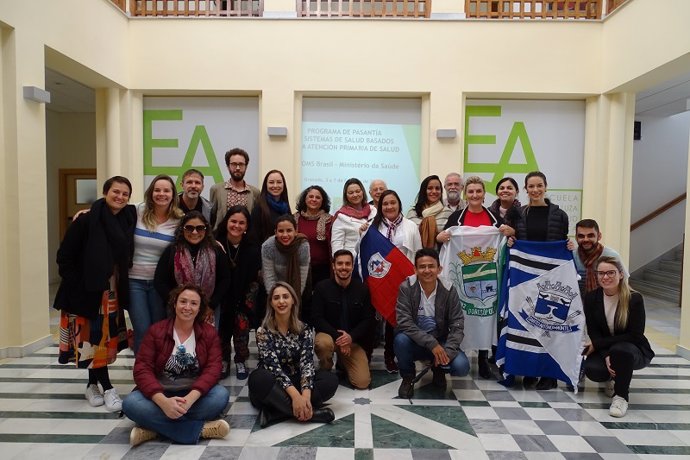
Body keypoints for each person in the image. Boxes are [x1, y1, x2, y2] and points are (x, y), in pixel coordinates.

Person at [54, 176, 137, 412]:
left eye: (125, 194)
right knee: (91, 340)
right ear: (105, 192)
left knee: (102, 340)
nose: (120, 197)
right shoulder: (86, 221)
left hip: (110, 292)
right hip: (86, 291)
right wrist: (80, 283)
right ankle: (109, 388)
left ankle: (91, 384)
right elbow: (64, 257)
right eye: (116, 192)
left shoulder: (126, 219)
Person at [123, 284, 230, 446]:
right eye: (183, 301)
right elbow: (142, 369)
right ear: (174, 304)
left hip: (194, 396)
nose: (187, 307)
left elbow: (213, 370)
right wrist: (163, 402)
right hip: (161, 394)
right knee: (131, 403)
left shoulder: (209, 333)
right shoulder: (156, 331)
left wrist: (189, 399)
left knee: (220, 396)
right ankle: (199, 430)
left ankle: (153, 430)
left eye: (194, 303)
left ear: (200, 308)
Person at [437, 176, 514, 379]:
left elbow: (510, 241)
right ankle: (459, 352)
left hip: (489, 280)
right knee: (462, 313)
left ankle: (482, 358)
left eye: (478, 191)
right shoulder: (456, 219)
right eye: (470, 191)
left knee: (485, 315)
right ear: (465, 193)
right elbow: (442, 241)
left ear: (484, 193)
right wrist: (441, 238)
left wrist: (510, 232)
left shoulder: (495, 219)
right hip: (464, 281)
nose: (474, 195)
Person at [248, 282, 338, 428]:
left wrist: (305, 395)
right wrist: (296, 397)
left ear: (293, 301)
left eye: (285, 297)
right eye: (276, 298)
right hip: (273, 385)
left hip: (297, 379)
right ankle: (313, 414)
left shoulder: (305, 329)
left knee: (331, 380)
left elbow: (307, 363)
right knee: (257, 379)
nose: (281, 301)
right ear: (271, 303)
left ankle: (275, 414)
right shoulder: (262, 331)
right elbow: (274, 369)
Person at [513, 171, 571, 390]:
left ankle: (549, 373)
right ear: (525, 189)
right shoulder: (518, 214)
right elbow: (515, 239)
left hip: (551, 278)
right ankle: (530, 369)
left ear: (546, 187)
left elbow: (563, 241)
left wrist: (569, 246)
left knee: (550, 324)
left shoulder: (559, 215)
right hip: (526, 276)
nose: (535, 190)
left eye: (539, 185)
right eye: (531, 186)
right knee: (527, 322)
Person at [582, 256, 654, 418]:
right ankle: (612, 378)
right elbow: (594, 332)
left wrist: (603, 347)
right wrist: (607, 355)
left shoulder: (634, 298)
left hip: (631, 348)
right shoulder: (591, 298)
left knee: (619, 351)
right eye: (601, 273)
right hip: (606, 347)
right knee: (593, 370)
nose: (605, 277)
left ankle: (621, 396)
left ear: (621, 274)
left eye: (610, 273)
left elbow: (635, 335)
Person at [394, 248, 470, 398]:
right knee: (400, 340)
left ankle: (439, 369)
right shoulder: (406, 287)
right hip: (415, 341)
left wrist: (446, 352)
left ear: (439, 269)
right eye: (422, 267)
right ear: (415, 269)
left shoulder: (449, 290)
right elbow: (404, 322)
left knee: (461, 367)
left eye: (431, 266)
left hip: (441, 340)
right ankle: (408, 377)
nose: (427, 270)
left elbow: (457, 324)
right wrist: (432, 344)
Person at [129, 174, 184, 354]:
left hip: (160, 284)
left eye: (166, 190)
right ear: (150, 192)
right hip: (134, 281)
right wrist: (87, 211)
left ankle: (158, 372)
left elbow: (195, 236)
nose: (161, 194)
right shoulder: (138, 210)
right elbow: (110, 209)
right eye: (157, 190)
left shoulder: (178, 219)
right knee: (142, 329)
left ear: (173, 194)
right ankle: (143, 376)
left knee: (160, 330)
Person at [371, 189, 422, 373]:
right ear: (379, 206)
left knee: (398, 318)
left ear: (399, 204)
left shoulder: (410, 226)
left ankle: (394, 355)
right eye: (385, 203)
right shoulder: (373, 226)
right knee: (382, 313)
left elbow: (417, 252)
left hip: (404, 279)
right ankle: (383, 354)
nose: (389, 206)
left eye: (393, 202)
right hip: (381, 277)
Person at [154, 211, 231, 328]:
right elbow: (159, 281)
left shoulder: (216, 250)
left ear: (206, 230)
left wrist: (211, 305)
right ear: (182, 229)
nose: (194, 232)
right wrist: (176, 303)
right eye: (189, 228)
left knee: (207, 344)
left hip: (209, 309)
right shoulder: (172, 251)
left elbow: (225, 279)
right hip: (178, 310)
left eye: (200, 228)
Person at [312, 250, 376, 389]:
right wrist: (340, 338)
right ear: (333, 266)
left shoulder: (362, 289)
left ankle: (343, 363)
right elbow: (317, 318)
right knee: (322, 344)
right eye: (340, 263)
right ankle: (325, 370)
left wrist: (351, 337)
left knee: (362, 382)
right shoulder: (322, 287)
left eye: (348, 264)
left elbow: (367, 319)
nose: (344, 267)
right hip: (329, 336)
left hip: (352, 341)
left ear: (353, 267)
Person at [215, 205, 262, 380]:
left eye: (242, 223)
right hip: (220, 297)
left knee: (241, 329)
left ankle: (240, 359)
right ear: (226, 221)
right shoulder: (215, 243)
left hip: (243, 298)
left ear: (247, 226)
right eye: (233, 221)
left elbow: (254, 280)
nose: (237, 225)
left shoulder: (252, 247)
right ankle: (224, 360)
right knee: (222, 332)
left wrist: (246, 302)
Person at [262, 214, 310, 304]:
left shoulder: (303, 246)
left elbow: (301, 279)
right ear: (275, 232)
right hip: (274, 291)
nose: (285, 235)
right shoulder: (267, 246)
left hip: (296, 291)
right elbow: (269, 277)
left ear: (296, 231)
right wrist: (276, 300)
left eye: (289, 230)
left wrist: (292, 301)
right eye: (280, 231)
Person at [573, 219, 627, 297]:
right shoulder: (572, 256)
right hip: (577, 306)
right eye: (581, 236)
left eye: (590, 235)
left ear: (599, 236)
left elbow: (623, 284)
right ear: (576, 237)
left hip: (607, 304)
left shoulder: (612, 256)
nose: (585, 239)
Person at [210, 147, 260, 230]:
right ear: (228, 166)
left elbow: (255, 219)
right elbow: (212, 216)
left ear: (246, 167)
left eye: (241, 164)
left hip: (246, 238)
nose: (237, 168)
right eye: (234, 164)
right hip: (221, 239)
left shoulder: (255, 192)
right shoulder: (216, 189)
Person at [294, 185, 334, 286]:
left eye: (318, 197)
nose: (314, 199)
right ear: (305, 199)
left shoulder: (330, 220)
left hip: (323, 271)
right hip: (299, 269)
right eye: (311, 196)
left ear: (323, 201)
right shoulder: (294, 219)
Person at [331, 178, 377, 257]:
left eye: (358, 191)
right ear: (346, 195)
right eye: (351, 193)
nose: (355, 195)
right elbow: (337, 249)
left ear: (363, 192)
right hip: (352, 263)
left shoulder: (374, 211)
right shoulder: (341, 217)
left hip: (374, 261)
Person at [407, 175, 453, 248]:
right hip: (415, 257)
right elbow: (407, 238)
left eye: (437, 188)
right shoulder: (412, 213)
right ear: (424, 191)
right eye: (430, 188)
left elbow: (451, 241)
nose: (434, 191)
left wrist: (438, 239)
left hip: (438, 257)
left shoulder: (448, 213)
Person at [251, 169, 291, 244]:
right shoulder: (259, 208)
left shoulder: (286, 207)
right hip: (265, 253)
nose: (275, 186)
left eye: (279, 182)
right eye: (271, 182)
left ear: (283, 184)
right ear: (266, 185)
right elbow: (253, 238)